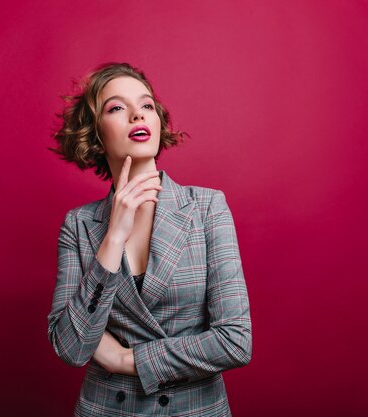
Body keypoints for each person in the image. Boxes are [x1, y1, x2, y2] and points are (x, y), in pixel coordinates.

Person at [47, 62, 252, 416]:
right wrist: (113, 236)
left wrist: (127, 359)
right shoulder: (79, 225)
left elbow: (235, 342)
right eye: (116, 108)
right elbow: (71, 347)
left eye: (146, 106)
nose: (137, 117)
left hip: (195, 409)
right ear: (94, 134)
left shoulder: (206, 208)